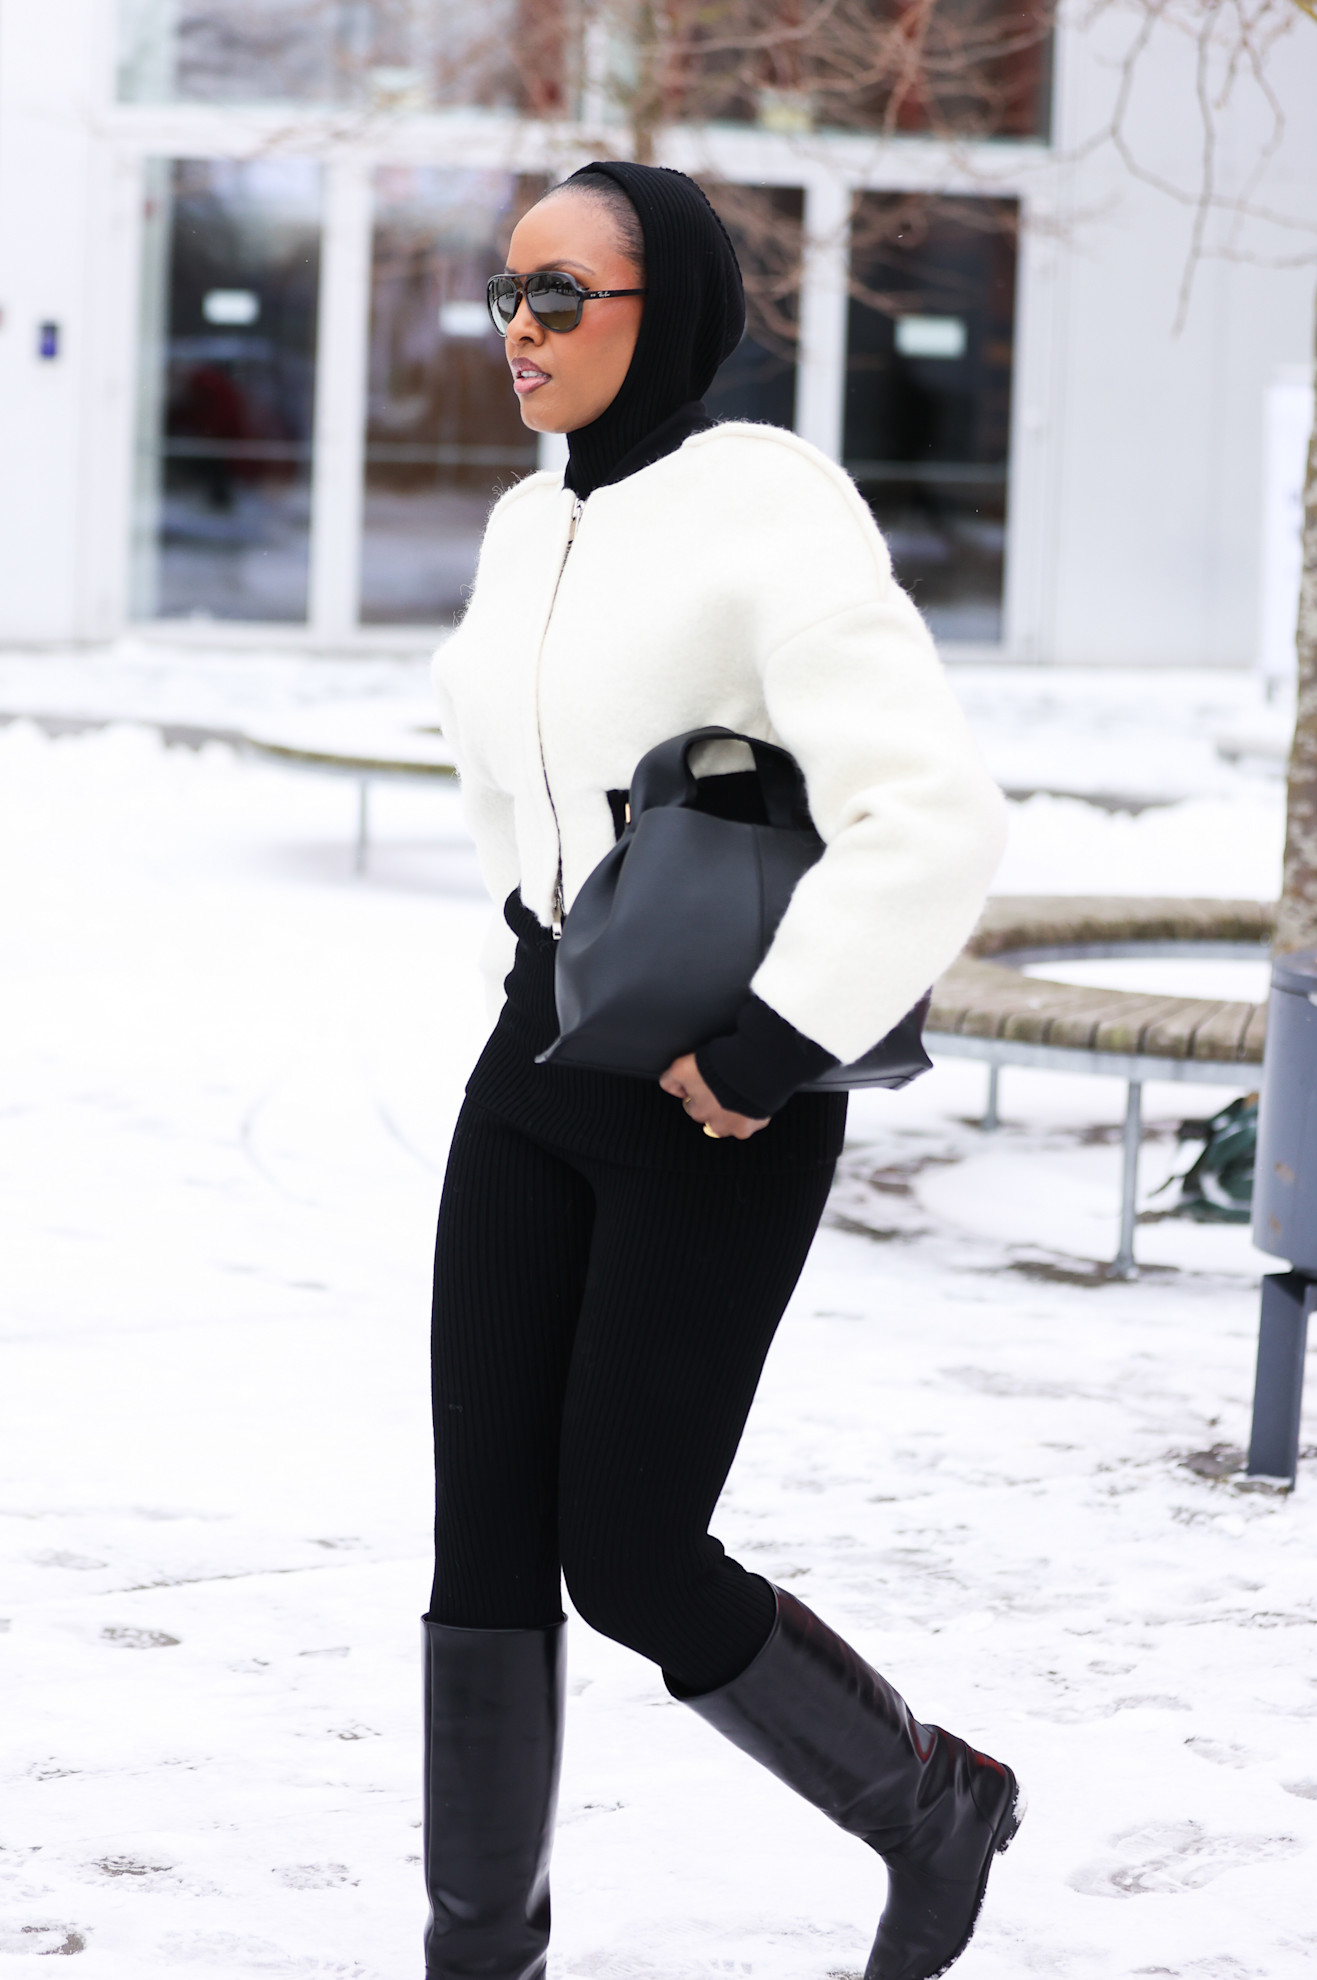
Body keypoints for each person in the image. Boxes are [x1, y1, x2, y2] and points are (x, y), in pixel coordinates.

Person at [425, 160, 1020, 1980]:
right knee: (484, 1552)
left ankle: (931, 1807)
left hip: (718, 1099)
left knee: (631, 1554)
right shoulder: (532, 524)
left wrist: (771, 1043)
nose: (517, 329)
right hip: (539, 1057)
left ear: (661, 307)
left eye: (559, 297)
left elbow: (935, 815)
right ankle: (477, 1951)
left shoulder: (770, 513)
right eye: (504, 288)